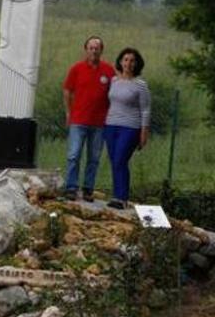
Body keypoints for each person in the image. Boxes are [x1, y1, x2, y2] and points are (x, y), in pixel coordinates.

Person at [62, 36, 115, 200]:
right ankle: (71, 186)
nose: (94, 51)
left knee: (94, 158)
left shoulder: (109, 70)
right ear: (86, 50)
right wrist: (68, 112)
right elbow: (67, 91)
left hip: (99, 122)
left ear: (101, 50)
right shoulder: (77, 69)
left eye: (97, 48)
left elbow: (114, 93)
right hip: (78, 120)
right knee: (74, 154)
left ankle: (88, 189)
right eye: (91, 48)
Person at [103, 47, 150, 209]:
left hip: (130, 127)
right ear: (121, 62)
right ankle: (116, 195)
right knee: (114, 160)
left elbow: (145, 109)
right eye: (126, 60)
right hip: (111, 125)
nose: (128, 63)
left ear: (136, 64)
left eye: (132, 61)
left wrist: (144, 131)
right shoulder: (114, 81)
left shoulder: (140, 85)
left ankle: (122, 198)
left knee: (121, 159)